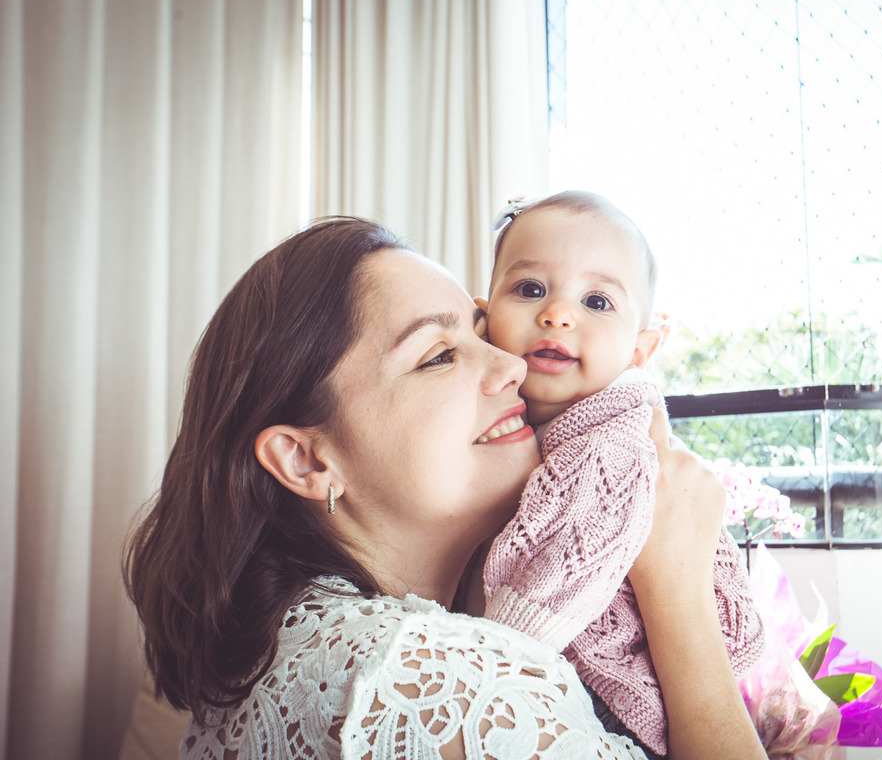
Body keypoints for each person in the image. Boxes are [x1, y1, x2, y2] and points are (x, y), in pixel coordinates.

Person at [123, 217, 767, 760]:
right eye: (438, 355)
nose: (514, 365)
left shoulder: (293, 646)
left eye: (480, 332)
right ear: (304, 459)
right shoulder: (440, 683)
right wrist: (676, 586)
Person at [474, 192, 765, 757]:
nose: (558, 314)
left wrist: (492, 649)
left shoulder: (609, 439)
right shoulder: (517, 419)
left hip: (623, 687)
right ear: (484, 319)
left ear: (640, 349)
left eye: (597, 301)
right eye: (530, 289)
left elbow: (550, 582)